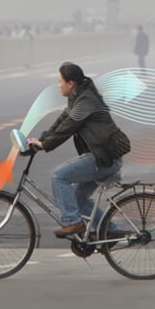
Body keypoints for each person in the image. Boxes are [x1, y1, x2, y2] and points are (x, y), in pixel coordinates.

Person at [27, 62, 129, 237]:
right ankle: (110, 232)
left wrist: (46, 145)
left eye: (60, 81)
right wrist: (42, 140)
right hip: (102, 157)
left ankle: (73, 223)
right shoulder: (78, 97)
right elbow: (61, 122)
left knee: (59, 176)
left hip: (103, 159)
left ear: (71, 83)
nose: (58, 85)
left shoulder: (86, 100)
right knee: (78, 198)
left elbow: (69, 126)